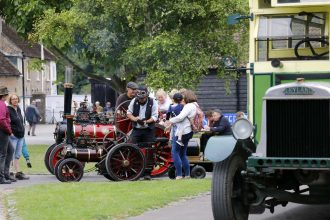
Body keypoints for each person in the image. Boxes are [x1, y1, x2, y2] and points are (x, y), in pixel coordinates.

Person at [127, 86, 158, 180]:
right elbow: (129, 113)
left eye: (143, 98)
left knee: (149, 150)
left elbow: (155, 116)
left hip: (148, 129)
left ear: (147, 96)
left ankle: (147, 173)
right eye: (139, 98)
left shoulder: (153, 102)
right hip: (136, 129)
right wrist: (135, 119)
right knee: (131, 148)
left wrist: (146, 121)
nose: (141, 100)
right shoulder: (134, 101)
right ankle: (135, 171)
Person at [165, 90, 197, 180]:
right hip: (188, 131)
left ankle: (179, 175)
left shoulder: (185, 106)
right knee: (183, 153)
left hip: (181, 132)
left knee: (175, 152)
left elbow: (180, 117)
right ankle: (187, 174)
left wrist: (168, 122)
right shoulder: (193, 106)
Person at [8, 94, 29, 180]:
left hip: (21, 136)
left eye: (16, 99)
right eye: (13, 99)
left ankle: (17, 172)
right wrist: (10, 133)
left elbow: (20, 121)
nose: (15, 100)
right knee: (10, 154)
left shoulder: (19, 109)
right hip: (13, 136)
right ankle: (9, 172)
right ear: (10, 101)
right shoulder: (8, 110)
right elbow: (7, 122)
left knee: (17, 155)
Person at [0, 86, 15, 184]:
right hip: (2, 131)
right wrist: (9, 130)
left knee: (11, 150)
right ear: (4, 95)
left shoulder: (2, 104)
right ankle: (1, 177)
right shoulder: (1, 104)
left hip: (3, 131)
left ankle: (5, 173)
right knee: (2, 154)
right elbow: (1, 119)